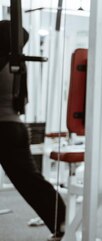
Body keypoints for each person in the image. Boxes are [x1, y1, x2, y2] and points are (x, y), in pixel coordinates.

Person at [0, 20, 66, 241]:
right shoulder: (17, 64)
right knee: (32, 182)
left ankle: (64, 221)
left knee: (31, 182)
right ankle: (62, 222)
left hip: (4, 130)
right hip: (15, 127)